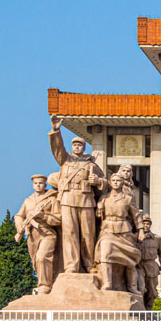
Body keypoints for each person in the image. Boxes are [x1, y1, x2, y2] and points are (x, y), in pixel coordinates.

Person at [49, 115, 107, 273]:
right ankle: (71, 265)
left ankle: (89, 264)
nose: (77, 147)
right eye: (74, 145)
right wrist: (56, 131)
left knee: (88, 234)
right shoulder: (65, 160)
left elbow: (105, 183)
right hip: (68, 199)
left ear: (83, 147)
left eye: (80, 145)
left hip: (86, 200)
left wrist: (97, 181)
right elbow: (57, 148)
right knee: (70, 233)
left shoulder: (90, 164)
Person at [95, 173, 144, 293]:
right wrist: (99, 209)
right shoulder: (104, 198)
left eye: (118, 180)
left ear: (122, 182)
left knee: (130, 259)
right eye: (114, 180)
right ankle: (107, 283)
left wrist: (141, 230)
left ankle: (132, 286)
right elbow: (97, 217)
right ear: (110, 182)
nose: (116, 182)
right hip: (107, 231)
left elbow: (136, 215)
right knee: (105, 255)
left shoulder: (128, 199)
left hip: (124, 231)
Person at [14, 174, 62, 294]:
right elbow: (19, 215)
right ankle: (43, 281)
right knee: (36, 261)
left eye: (40, 183)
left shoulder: (51, 199)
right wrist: (20, 227)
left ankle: (44, 286)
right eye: (36, 183)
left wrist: (43, 216)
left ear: (45, 184)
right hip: (32, 235)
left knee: (42, 257)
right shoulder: (28, 200)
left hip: (47, 233)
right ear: (33, 185)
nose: (38, 185)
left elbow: (59, 218)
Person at [138, 213, 161, 310]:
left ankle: (148, 310)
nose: (146, 226)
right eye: (144, 223)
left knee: (152, 291)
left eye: (148, 224)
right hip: (139, 266)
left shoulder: (157, 239)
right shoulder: (136, 237)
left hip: (151, 266)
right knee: (140, 288)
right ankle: (140, 309)